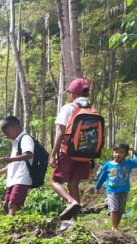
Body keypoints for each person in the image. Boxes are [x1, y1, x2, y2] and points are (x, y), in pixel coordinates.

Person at [50, 78, 94, 220]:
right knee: (73, 183)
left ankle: (70, 202)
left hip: (69, 151)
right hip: (86, 154)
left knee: (55, 181)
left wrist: (52, 155)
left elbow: (61, 133)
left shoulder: (69, 108)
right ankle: (75, 222)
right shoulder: (93, 109)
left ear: (73, 93)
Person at [0, 116, 34, 216]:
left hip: (22, 178)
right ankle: (10, 223)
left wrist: (10, 159)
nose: (6, 136)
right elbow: (13, 165)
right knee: (6, 204)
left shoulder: (25, 138)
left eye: (7, 133)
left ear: (16, 127)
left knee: (13, 203)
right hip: (13, 179)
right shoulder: (15, 142)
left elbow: (29, 154)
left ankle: (10, 224)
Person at [94, 143, 137, 231]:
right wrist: (98, 187)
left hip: (124, 190)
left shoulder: (128, 163)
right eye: (116, 152)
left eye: (121, 152)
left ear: (125, 154)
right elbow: (102, 176)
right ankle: (114, 227)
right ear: (113, 153)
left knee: (120, 210)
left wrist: (134, 151)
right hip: (112, 191)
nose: (117, 154)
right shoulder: (108, 165)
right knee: (113, 208)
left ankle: (116, 227)